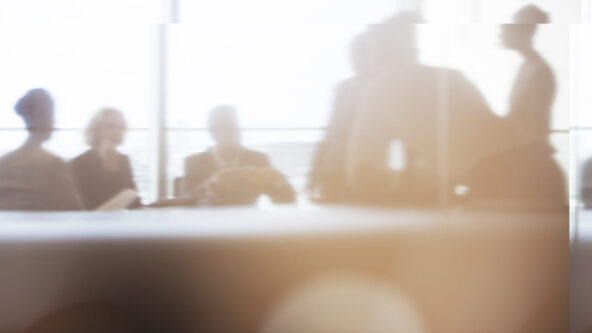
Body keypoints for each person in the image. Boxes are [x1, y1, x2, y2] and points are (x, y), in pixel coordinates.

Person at [346, 13, 517, 206]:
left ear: (374, 53)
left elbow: (362, 169)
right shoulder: (452, 78)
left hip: (491, 185)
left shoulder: (380, 89)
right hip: (524, 174)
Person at [308, 32, 375, 202]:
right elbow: (330, 130)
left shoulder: (382, 88)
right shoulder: (342, 88)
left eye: (360, 55)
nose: (354, 60)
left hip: (363, 171)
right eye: (352, 55)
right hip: (333, 170)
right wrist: (315, 172)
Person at [181, 105, 295, 205]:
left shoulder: (258, 159)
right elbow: (185, 203)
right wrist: (212, 185)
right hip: (206, 226)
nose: (232, 132)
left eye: (235, 126)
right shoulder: (195, 162)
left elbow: (287, 200)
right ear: (212, 132)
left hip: (248, 225)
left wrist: (278, 181)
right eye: (225, 127)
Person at [0, 89, 83, 211]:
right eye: (51, 115)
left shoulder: (4, 161)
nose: (54, 122)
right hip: (40, 229)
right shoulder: (52, 164)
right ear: (46, 118)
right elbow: (75, 211)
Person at [501, 5, 554, 146]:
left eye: (508, 27)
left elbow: (531, 124)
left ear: (522, 32)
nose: (502, 33)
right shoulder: (526, 67)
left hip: (530, 153)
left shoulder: (539, 71)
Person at [70, 108, 140, 210]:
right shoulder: (79, 163)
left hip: (120, 222)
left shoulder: (123, 160)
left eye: (121, 127)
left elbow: (134, 203)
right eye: (111, 127)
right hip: (89, 223)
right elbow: (81, 206)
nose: (117, 132)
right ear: (96, 130)